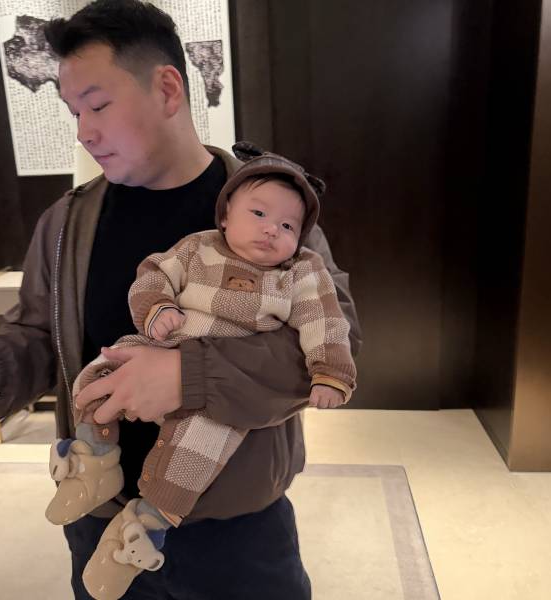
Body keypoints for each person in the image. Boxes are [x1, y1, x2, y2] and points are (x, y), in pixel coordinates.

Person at [0, 1, 361, 598]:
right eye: (74, 112)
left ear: (168, 89)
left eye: (98, 105)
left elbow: (336, 343)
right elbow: (41, 337)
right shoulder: (66, 222)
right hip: (99, 518)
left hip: (237, 527)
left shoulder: (271, 214)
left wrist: (188, 376)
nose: (84, 132)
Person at [46, 143, 357, 598]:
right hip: (161, 340)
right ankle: (94, 458)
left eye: (288, 226)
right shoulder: (197, 247)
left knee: (191, 457)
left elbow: (326, 323)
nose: (271, 230)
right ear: (225, 215)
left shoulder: (301, 272)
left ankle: (142, 529)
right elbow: (154, 273)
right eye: (258, 213)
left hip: (222, 402)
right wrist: (157, 308)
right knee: (99, 374)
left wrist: (329, 372)